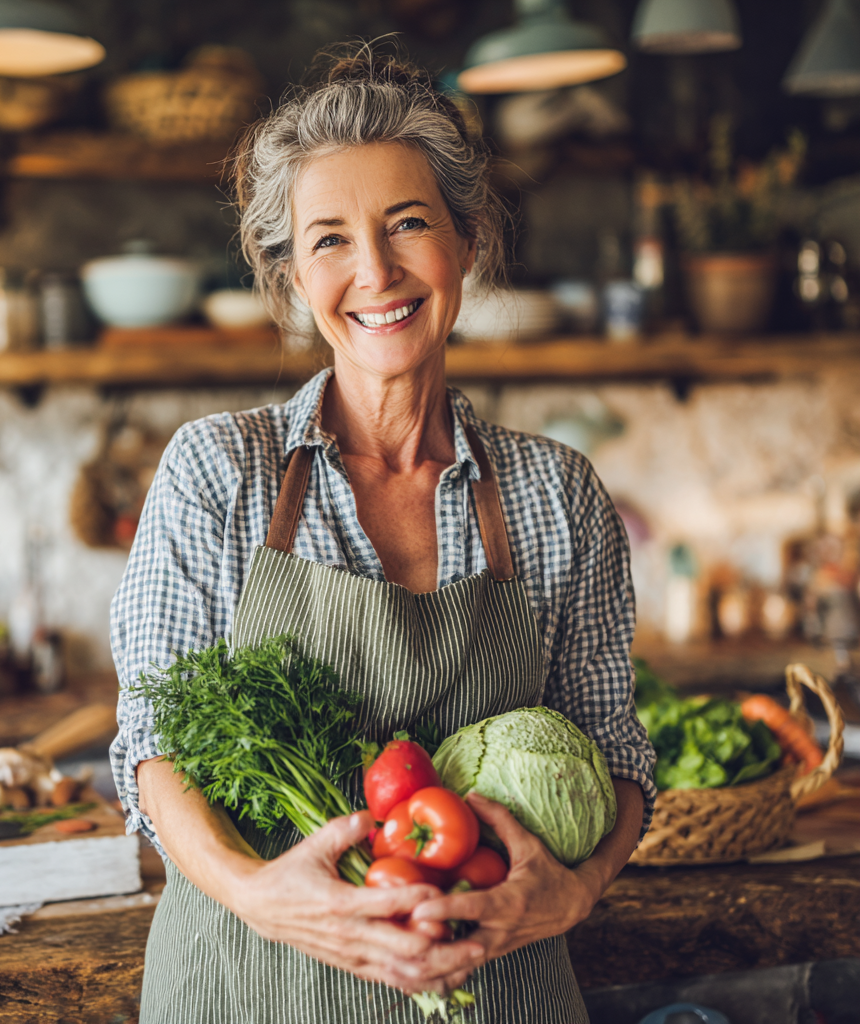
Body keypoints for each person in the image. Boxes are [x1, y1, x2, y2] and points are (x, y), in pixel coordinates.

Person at [110, 44, 656, 1024]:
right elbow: (153, 745)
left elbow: (616, 754)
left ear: (468, 239)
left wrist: (574, 889)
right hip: (249, 983)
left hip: (500, 988)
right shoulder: (217, 472)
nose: (375, 272)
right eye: (328, 239)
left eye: (408, 223)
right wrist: (255, 891)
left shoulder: (556, 491)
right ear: (287, 276)